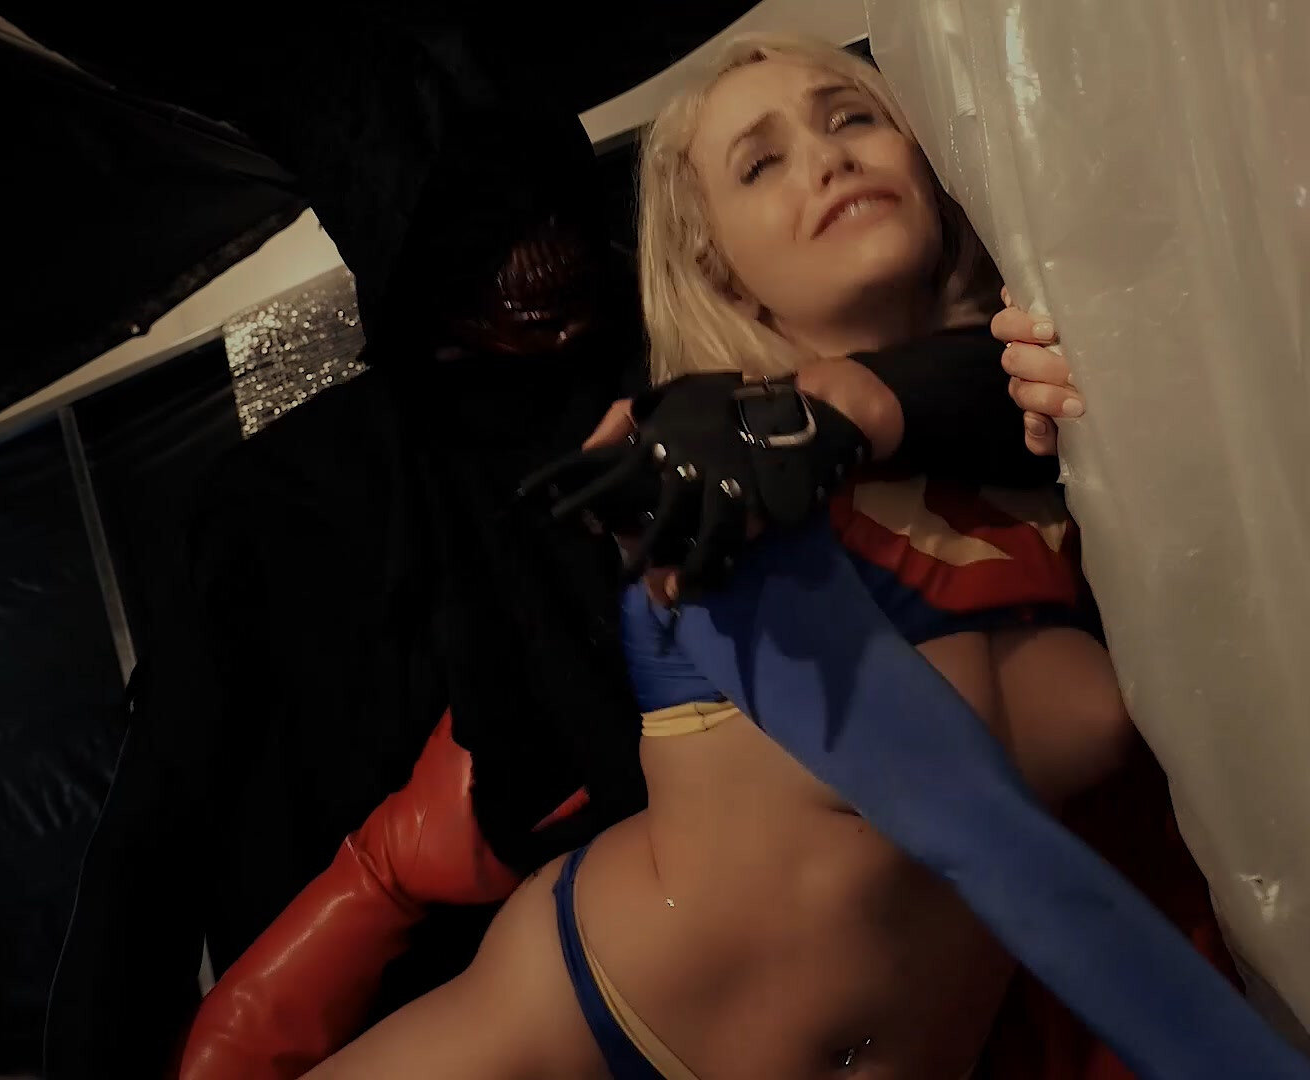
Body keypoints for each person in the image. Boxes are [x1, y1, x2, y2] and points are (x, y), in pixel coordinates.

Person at [291, 34, 1164, 1080]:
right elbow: (680, 488)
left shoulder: (1047, 439)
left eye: (852, 117)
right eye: (762, 163)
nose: (827, 159)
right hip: (595, 1024)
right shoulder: (712, 472)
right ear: (719, 267)